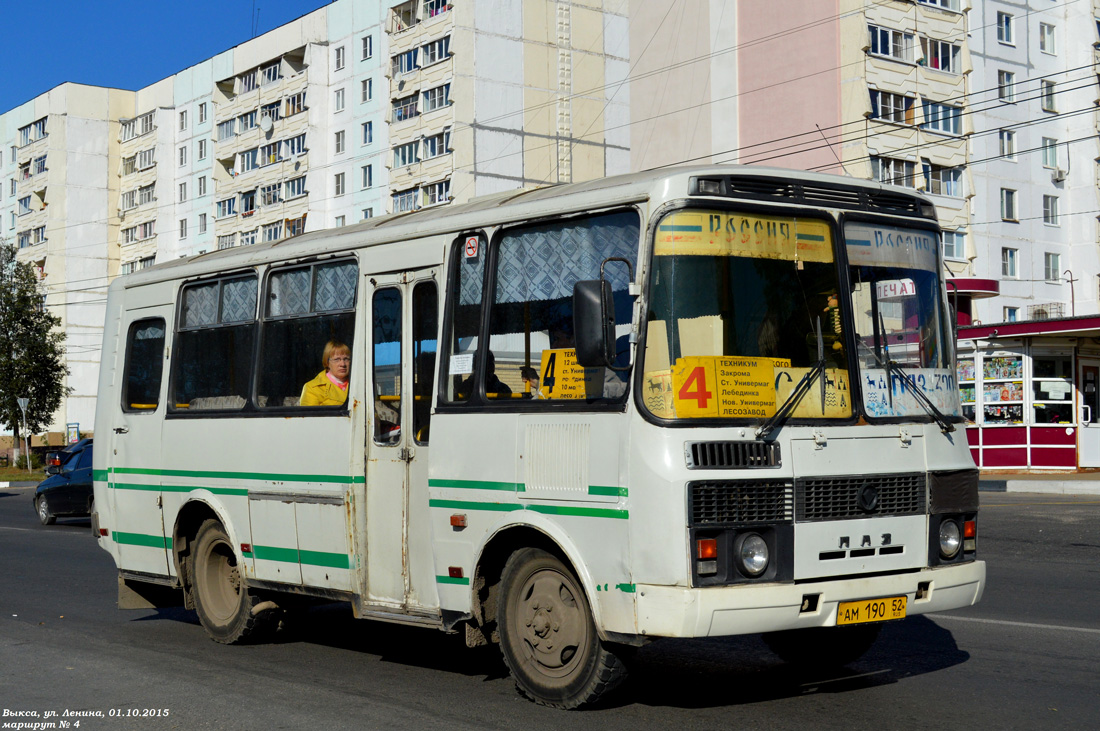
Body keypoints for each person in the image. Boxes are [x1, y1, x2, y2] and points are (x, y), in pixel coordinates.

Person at [301, 340, 351, 406]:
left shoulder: (360, 383)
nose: (343, 364)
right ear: (327, 363)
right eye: (337, 359)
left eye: (346, 359)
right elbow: (309, 415)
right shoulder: (312, 388)